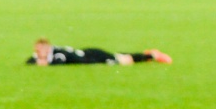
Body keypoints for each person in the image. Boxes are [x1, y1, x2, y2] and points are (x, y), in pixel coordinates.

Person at [27, 38, 171, 65]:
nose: (38, 52)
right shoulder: (39, 56)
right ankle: (148, 54)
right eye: (37, 50)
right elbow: (29, 61)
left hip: (93, 56)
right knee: (119, 56)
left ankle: (153, 55)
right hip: (89, 55)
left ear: (48, 48)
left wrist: (43, 63)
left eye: (41, 49)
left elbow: (58, 63)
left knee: (122, 61)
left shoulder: (58, 54)